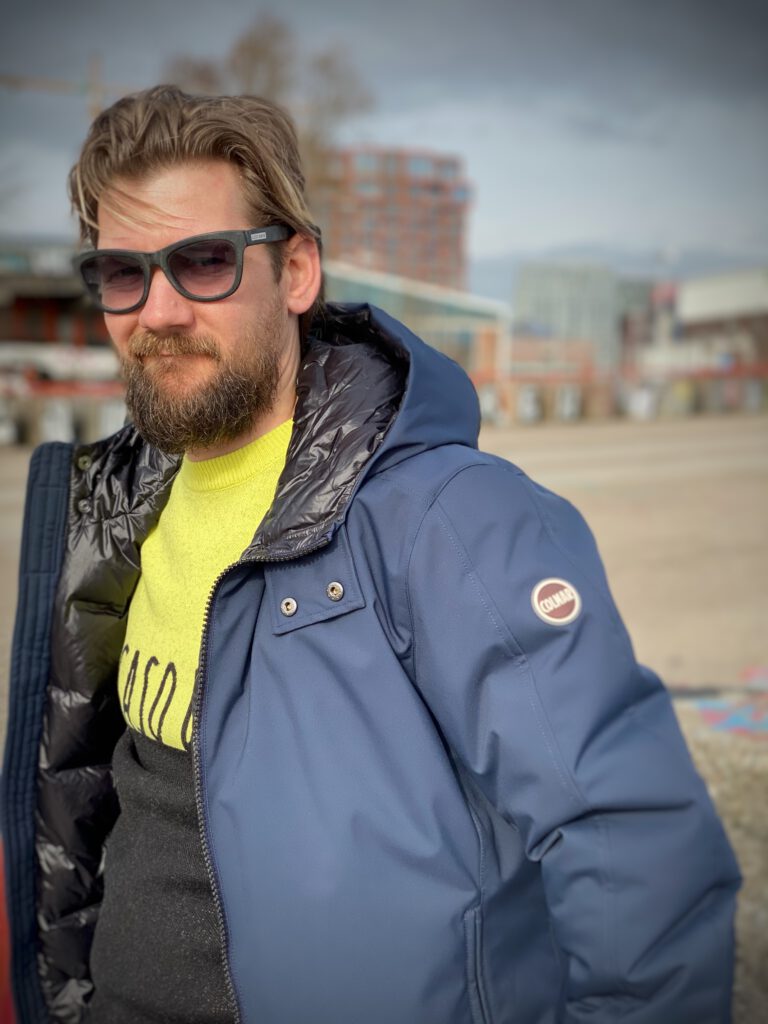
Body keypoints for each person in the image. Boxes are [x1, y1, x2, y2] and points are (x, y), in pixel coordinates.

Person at [1, 85, 740, 1024]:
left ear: (297, 270)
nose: (160, 310)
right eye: (123, 273)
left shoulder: (452, 518)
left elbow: (631, 843)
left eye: (204, 262)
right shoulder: (108, 518)